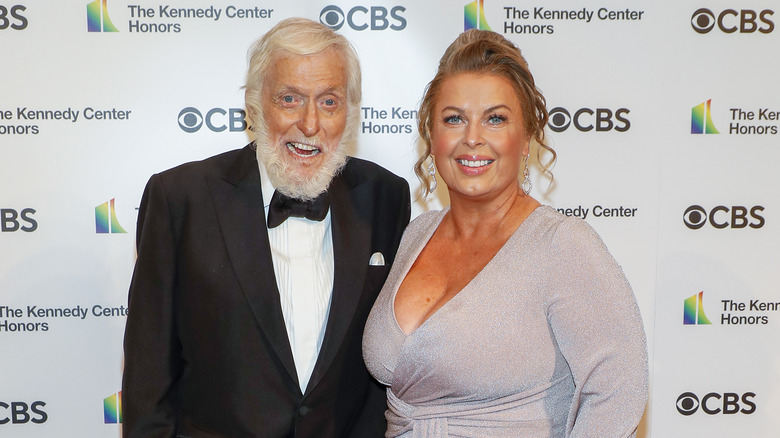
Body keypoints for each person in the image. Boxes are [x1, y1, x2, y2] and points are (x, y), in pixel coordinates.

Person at [122, 18, 410, 438]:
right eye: (289, 99)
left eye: (329, 102)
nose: (310, 124)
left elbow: (377, 385)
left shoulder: (384, 196)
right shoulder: (179, 199)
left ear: (349, 112)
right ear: (254, 105)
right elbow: (149, 382)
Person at [363, 29, 648, 437]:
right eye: (454, 118)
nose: (473, 137)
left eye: (495, 118)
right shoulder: (416, 234)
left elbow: (617, 394)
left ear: (527, 136)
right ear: (432, 134)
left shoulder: (561, 245)